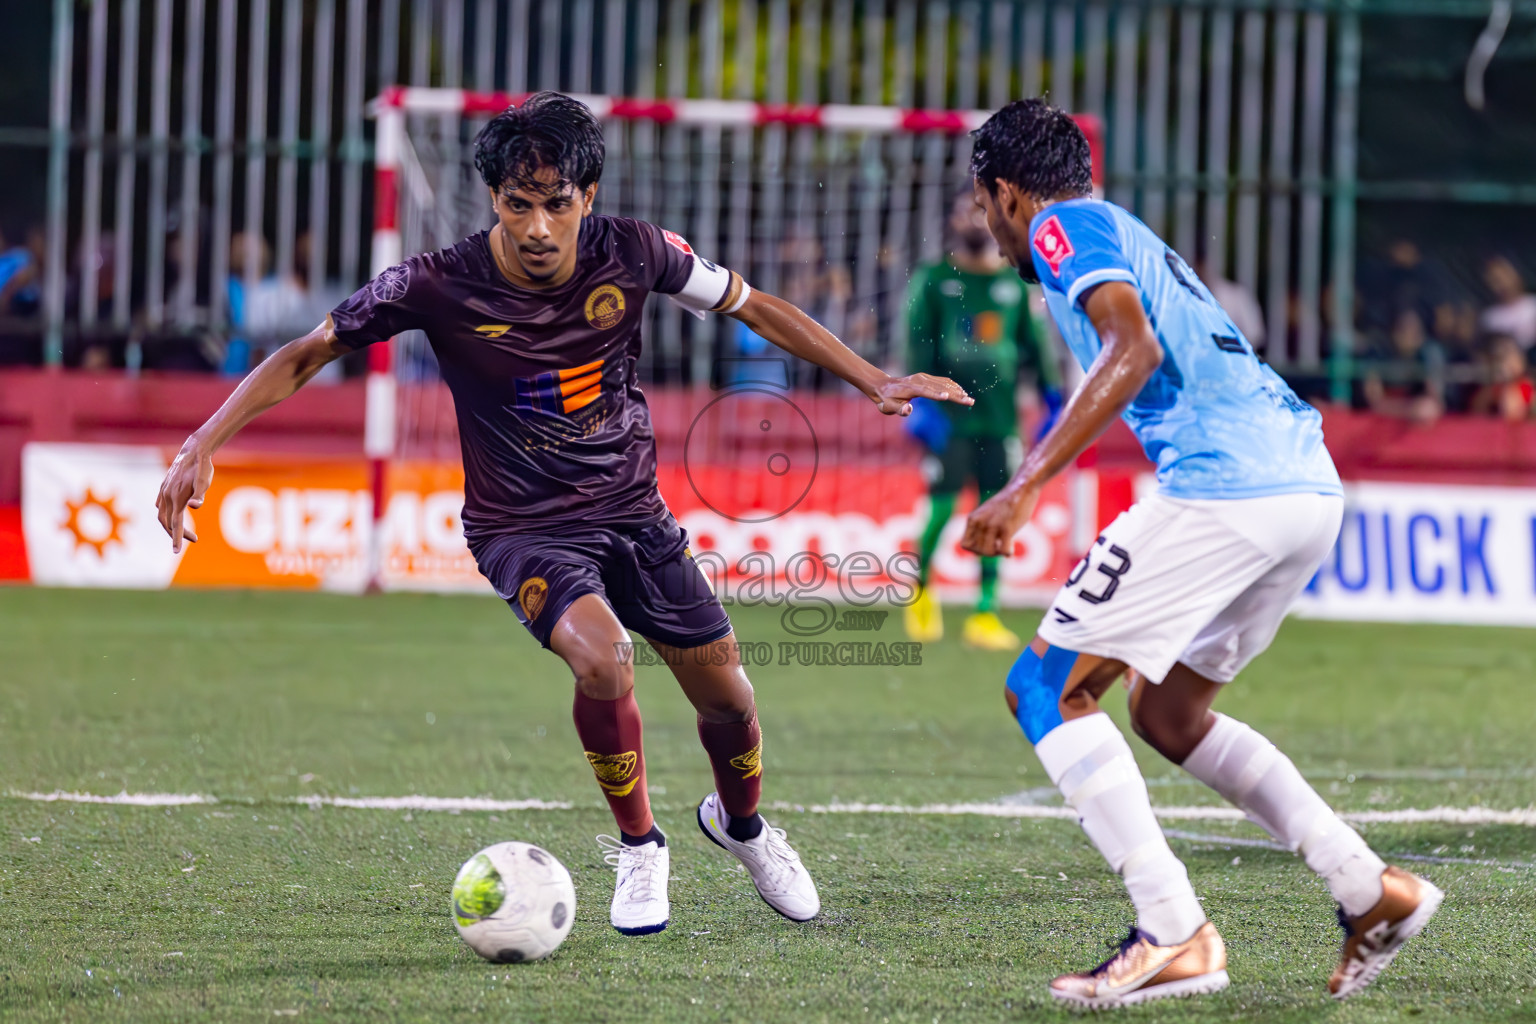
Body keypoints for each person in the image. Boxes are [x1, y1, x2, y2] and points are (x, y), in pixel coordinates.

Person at [154, 92, 971, 937]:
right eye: (518, 205)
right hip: (523, 528)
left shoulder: (637, 252)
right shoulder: (437, 283)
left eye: (556, 203)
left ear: (587, 196)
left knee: (729, 698)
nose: (538, 227)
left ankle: (743, 827)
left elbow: (752, 305)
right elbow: (308, 351)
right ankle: (641, 845)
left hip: (634, 514)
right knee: (605, 661)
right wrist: (204, 440)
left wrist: (872, 378)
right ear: (493, 202)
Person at [960, 99, 1441, 1008]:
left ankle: (1172, 927)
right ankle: (1368, 888)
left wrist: (1024, 485)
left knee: (1042, 688)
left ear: (1007, 192)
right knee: (1171, 715)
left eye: (985, 205)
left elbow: (1132, 348)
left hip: (1227, 485)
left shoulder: (1062, 225)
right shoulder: (1124, 227)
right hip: (1305, 485)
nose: (989, 225)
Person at [903, 189, 1060, 650]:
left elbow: (1035, 346)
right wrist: (920, 403)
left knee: (996, 511)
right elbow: (916, 341)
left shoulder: (1015, 283)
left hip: (1001, 420)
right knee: (942, 507)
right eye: (964, 209)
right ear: (952, 219)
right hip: (949, 420)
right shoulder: (935, 279)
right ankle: (921, 595)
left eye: (979, 210)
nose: (973, 218)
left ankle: (985, 612)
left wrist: (1053, 397)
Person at [1362, 308, 1446, 425]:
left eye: (1414, 330)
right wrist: (1408, 410)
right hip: (1380, 425)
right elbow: (1374, 402)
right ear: (1393, 331)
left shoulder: (1427, 355)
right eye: (1403, 329)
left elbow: (1436, 403)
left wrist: (1422, 407)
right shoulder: (1378, 354)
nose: (1408, 335)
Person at [1468, 334, 1534, 421]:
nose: (1509, 366)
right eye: (1503, 361)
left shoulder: (1525, 385)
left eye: (1512, 360)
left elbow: (1526, 410)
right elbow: (1477, 408)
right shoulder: (1496, 387)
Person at [1478, 256, 1536, 353]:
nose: (1502, 283)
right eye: (1495, 280)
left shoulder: (1533, 304)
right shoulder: (1490, 318)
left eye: (1505, 276)